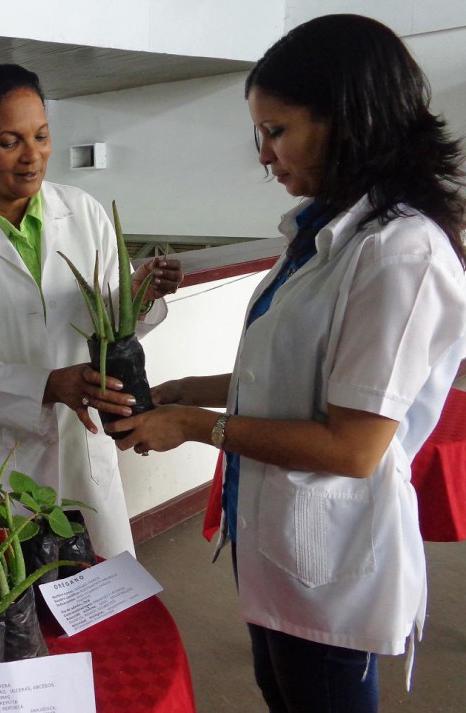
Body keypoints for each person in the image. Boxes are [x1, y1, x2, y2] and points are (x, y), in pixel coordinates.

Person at [108, 15, 466, 712]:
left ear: (346, 122)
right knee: (282, 691)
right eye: (259, 133)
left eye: (277, 131)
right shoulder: (322, 233)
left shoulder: (399, 253)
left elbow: (355, 445)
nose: (264, 155)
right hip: (277, 539)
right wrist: (179, 388)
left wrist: (192, 424)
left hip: (331, 557)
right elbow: (286, 379)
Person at [0, 64, 182, 558]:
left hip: (82, 447)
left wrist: (137, 298)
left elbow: (110, 324)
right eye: (10, 142)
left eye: (41, 135)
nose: (32, 157)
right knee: (2, 610)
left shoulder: (83, 212)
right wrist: (48, 385)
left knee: (98, 601)